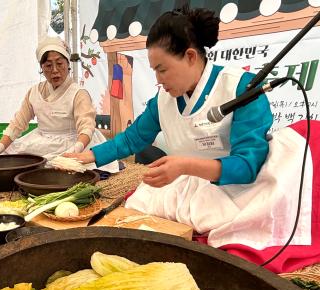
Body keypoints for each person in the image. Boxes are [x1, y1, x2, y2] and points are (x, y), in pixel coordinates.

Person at [65, 6, 313, 258]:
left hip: (237, 185)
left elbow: (247, 166)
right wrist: (87, 157)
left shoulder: (240, 89)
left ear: (191, 56)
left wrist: (184, 166)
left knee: (227, 225)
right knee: (139, 207)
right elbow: (133, 138)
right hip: (188, 180)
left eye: (162, 69)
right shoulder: (164, 100)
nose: (158, 80)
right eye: (154, 71)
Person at [0, 36, 118, 172]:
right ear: (41, 67)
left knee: (57, 168)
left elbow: (86, 127)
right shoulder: (34, 92)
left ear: (68, 64)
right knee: (12, 158)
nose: (54, 70)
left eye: (59, 63)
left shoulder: (78, 93)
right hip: (42, 141)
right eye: (48, 65)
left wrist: (76, 149)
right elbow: (18, 123)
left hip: (74, 141)